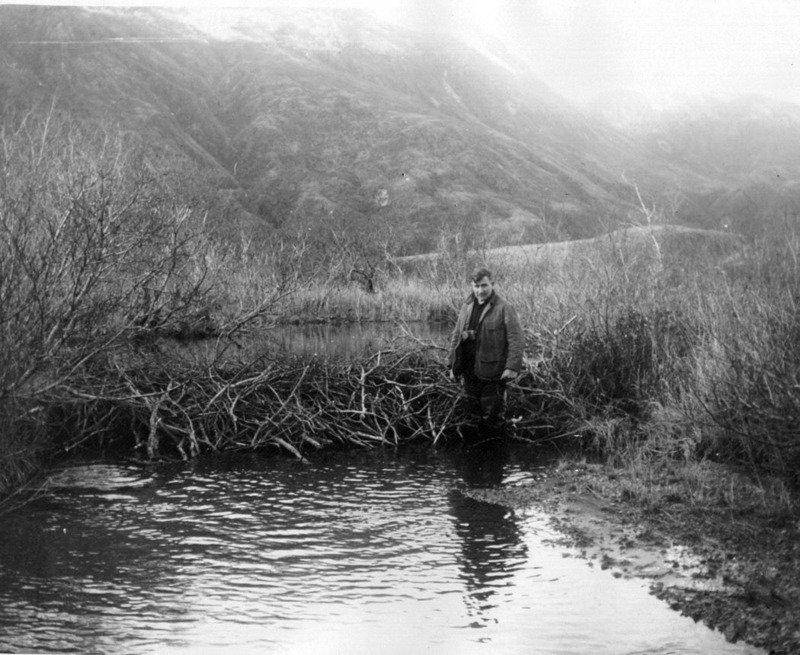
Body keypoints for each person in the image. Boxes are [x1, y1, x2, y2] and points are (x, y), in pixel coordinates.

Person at [449, 267, 524, 431]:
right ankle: (478, 453)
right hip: (469, 371)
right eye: (476, 286)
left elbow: (516, 339)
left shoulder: (505, 307)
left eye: (484, 286)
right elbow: (456, 337)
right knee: (473, 416)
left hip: (493, 372)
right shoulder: (466, 307)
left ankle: (496, 451)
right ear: (471, 286)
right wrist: (453, 365)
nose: (480, 290)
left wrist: (512, 367)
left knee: (492, 419)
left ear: (493, 284)